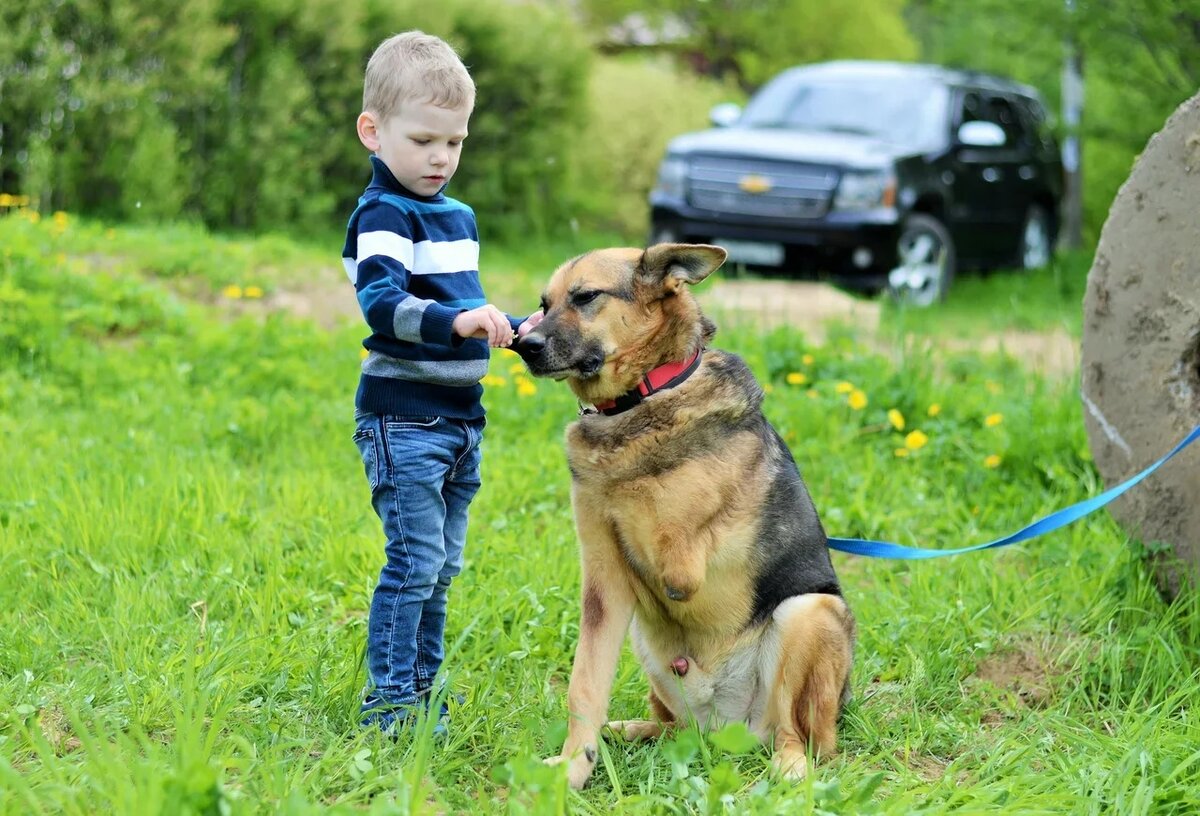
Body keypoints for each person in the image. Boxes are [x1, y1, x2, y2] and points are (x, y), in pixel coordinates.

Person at [342, 30, 540, 736]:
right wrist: (460, 322)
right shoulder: (383, 214)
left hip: (461, 421)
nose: (440, 157)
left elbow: (466, 309)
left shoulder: (457, 217)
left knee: (443, 565)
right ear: (373, 131)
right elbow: (383, 305)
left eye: (453, 142)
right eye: (424, 139)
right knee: (414, 561)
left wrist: (526, 328)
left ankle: (424, 692)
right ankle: (390, 701)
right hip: (405, 419)